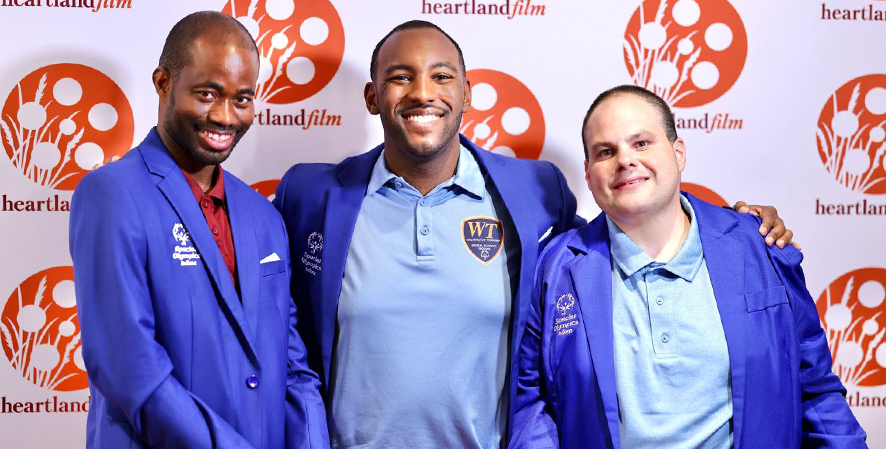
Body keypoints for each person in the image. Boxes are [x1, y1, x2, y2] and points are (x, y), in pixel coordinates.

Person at [274, 21, 793, 448]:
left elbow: (608, 249)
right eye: (400, 77)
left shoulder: (535, 189)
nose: (423, 93)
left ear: (468, 94)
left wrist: (740, 226)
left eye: (441, 76)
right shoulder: (310, 194)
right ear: (372, 96)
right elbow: (285, 333)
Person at [510, 85, 866, 448]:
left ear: (678, 153)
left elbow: (816, 389)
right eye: (606, 151)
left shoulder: (761, 245)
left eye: (642, 143)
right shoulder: (554, 268)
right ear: (588, 174)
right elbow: (531, 403)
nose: (625, 160)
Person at [69, 11, 327, 448]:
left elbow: (292, 364)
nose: (225, 116)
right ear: (163, 83)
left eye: (242, 99)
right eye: (207, 93)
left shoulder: (263, 216)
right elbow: (127, 364)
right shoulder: (111, 195)